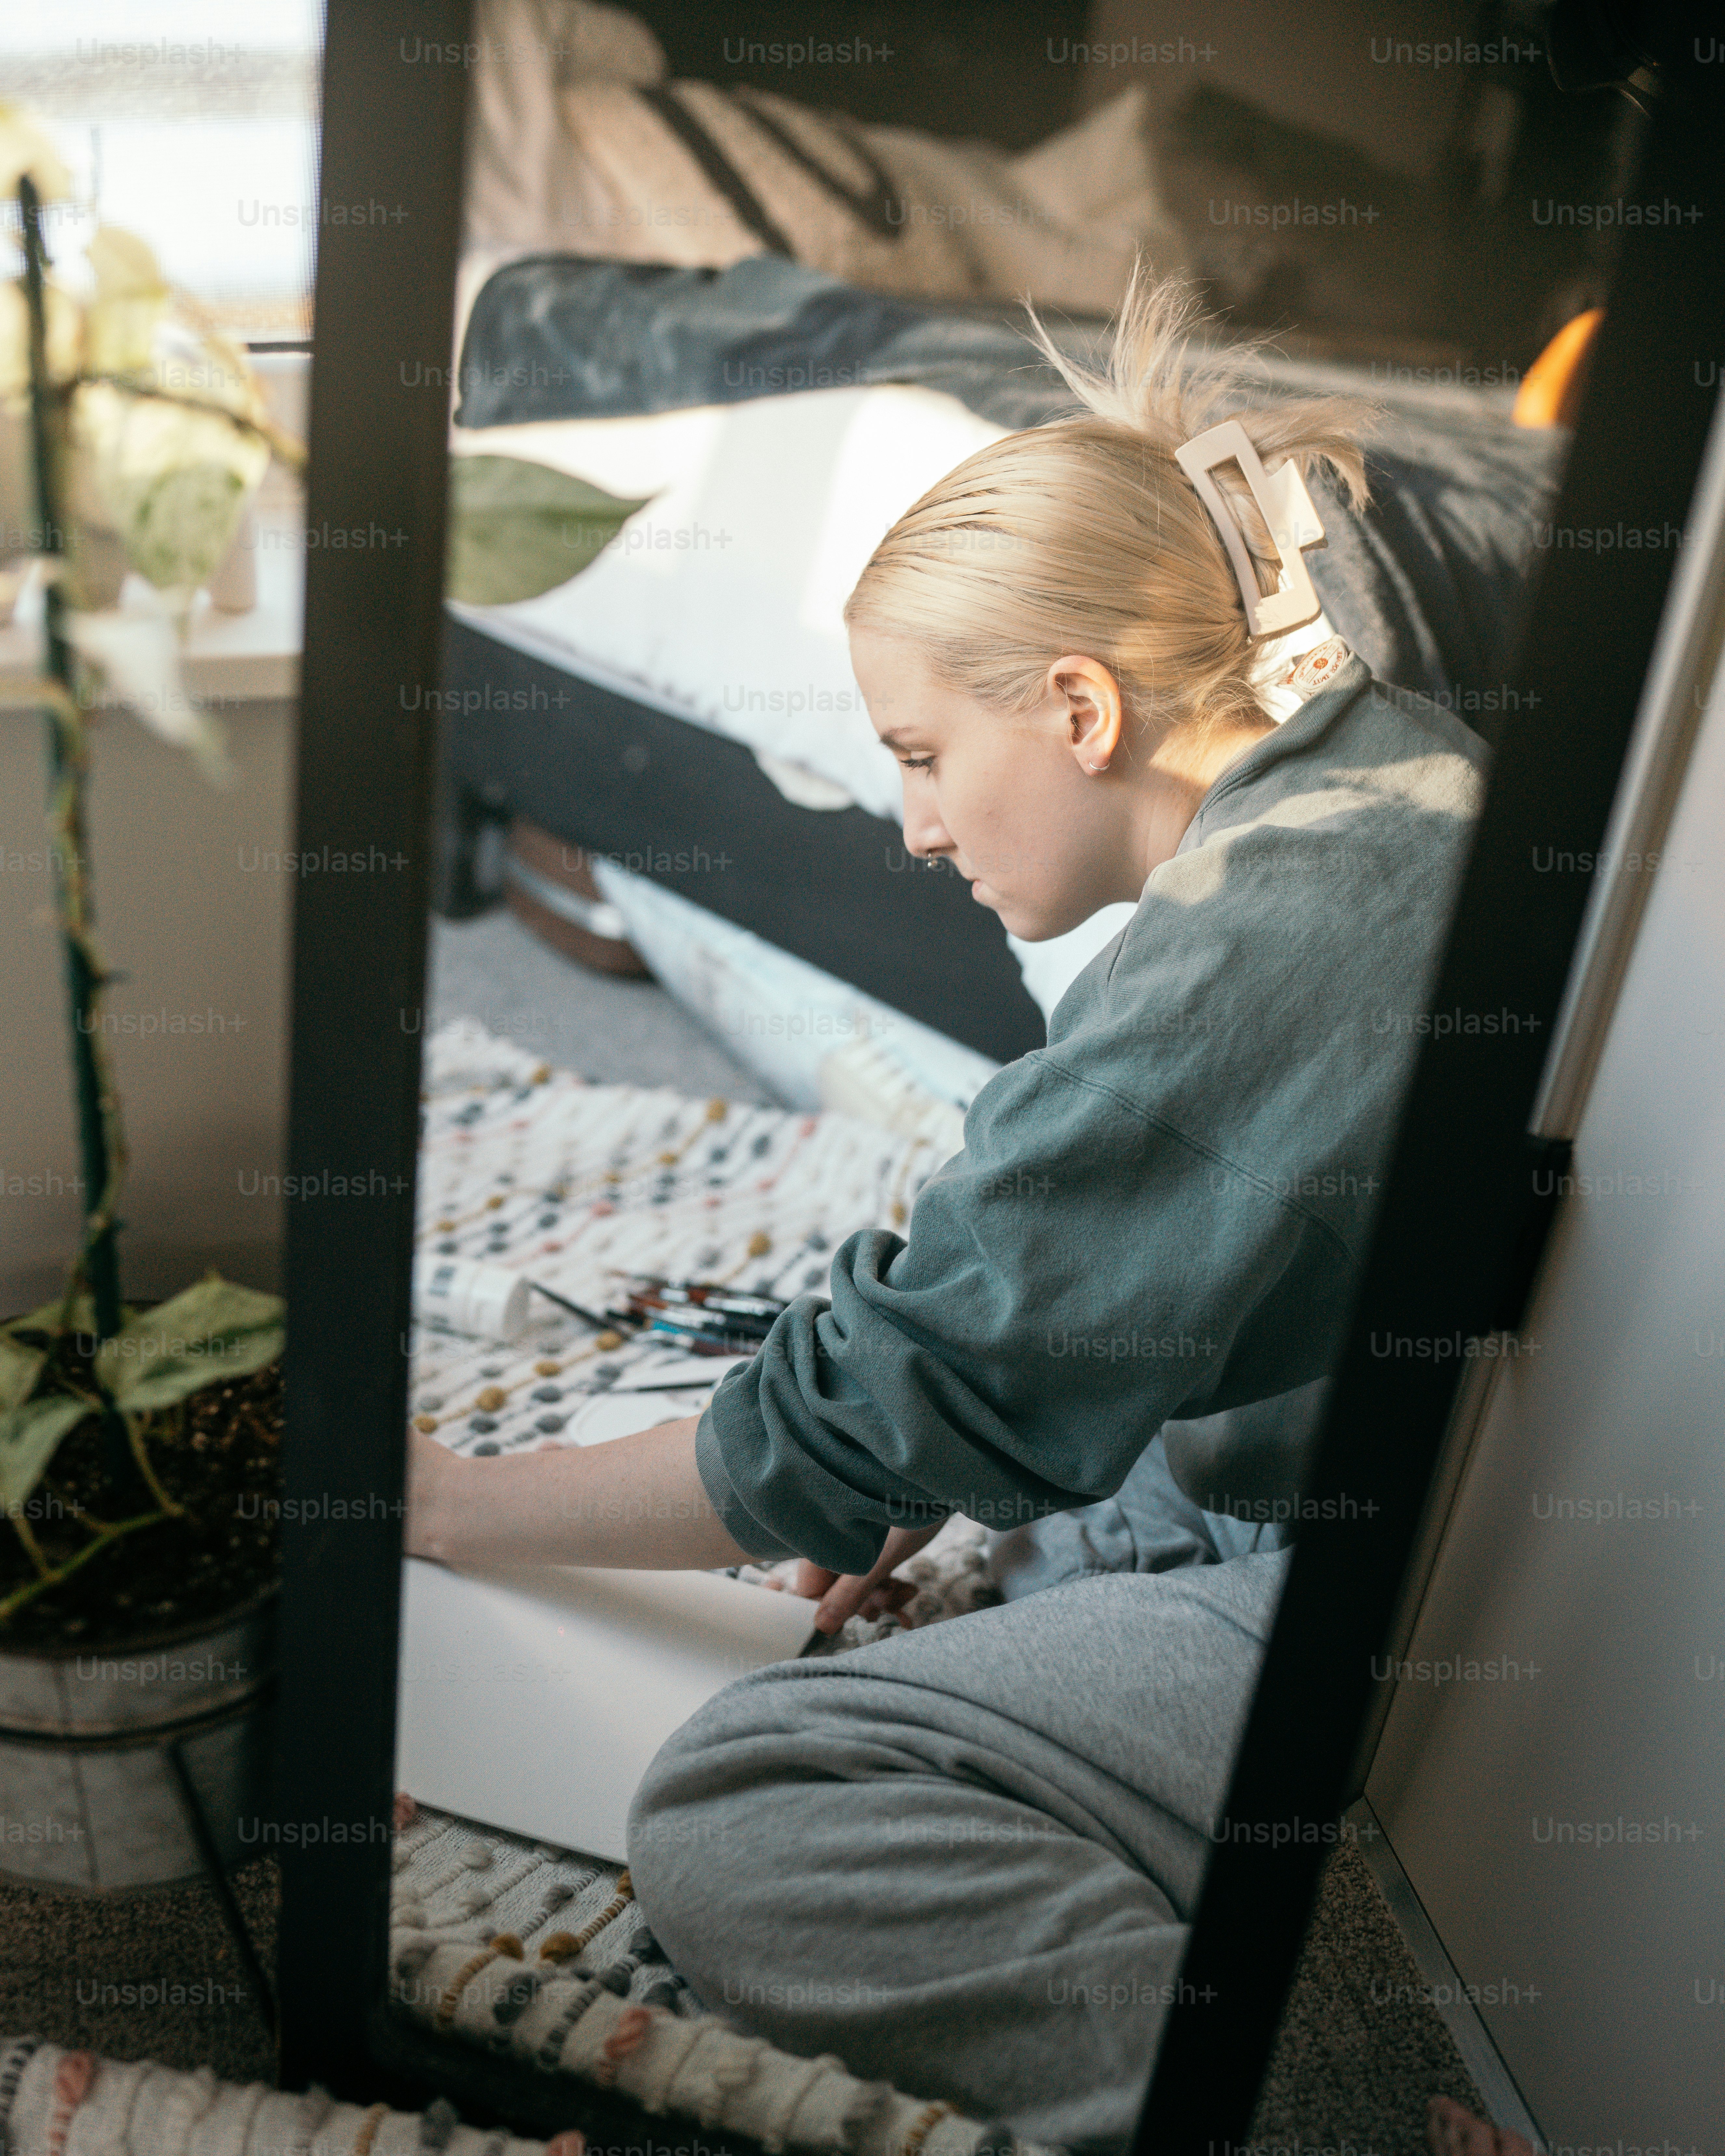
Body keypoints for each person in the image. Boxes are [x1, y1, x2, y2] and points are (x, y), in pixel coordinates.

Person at [406, 263, 1507, 2149]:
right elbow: (1079, 1290)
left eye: (920, 755)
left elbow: (874, 1395)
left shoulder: (1255, 943)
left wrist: (444, 1500)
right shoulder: (1385, 767)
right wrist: (964, 1469)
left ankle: (1334, 2114)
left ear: (1079, 705)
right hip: (1399, 1467)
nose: (912, 826)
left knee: (749, 1807)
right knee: (1024, 1538)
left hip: (1429, 1590)